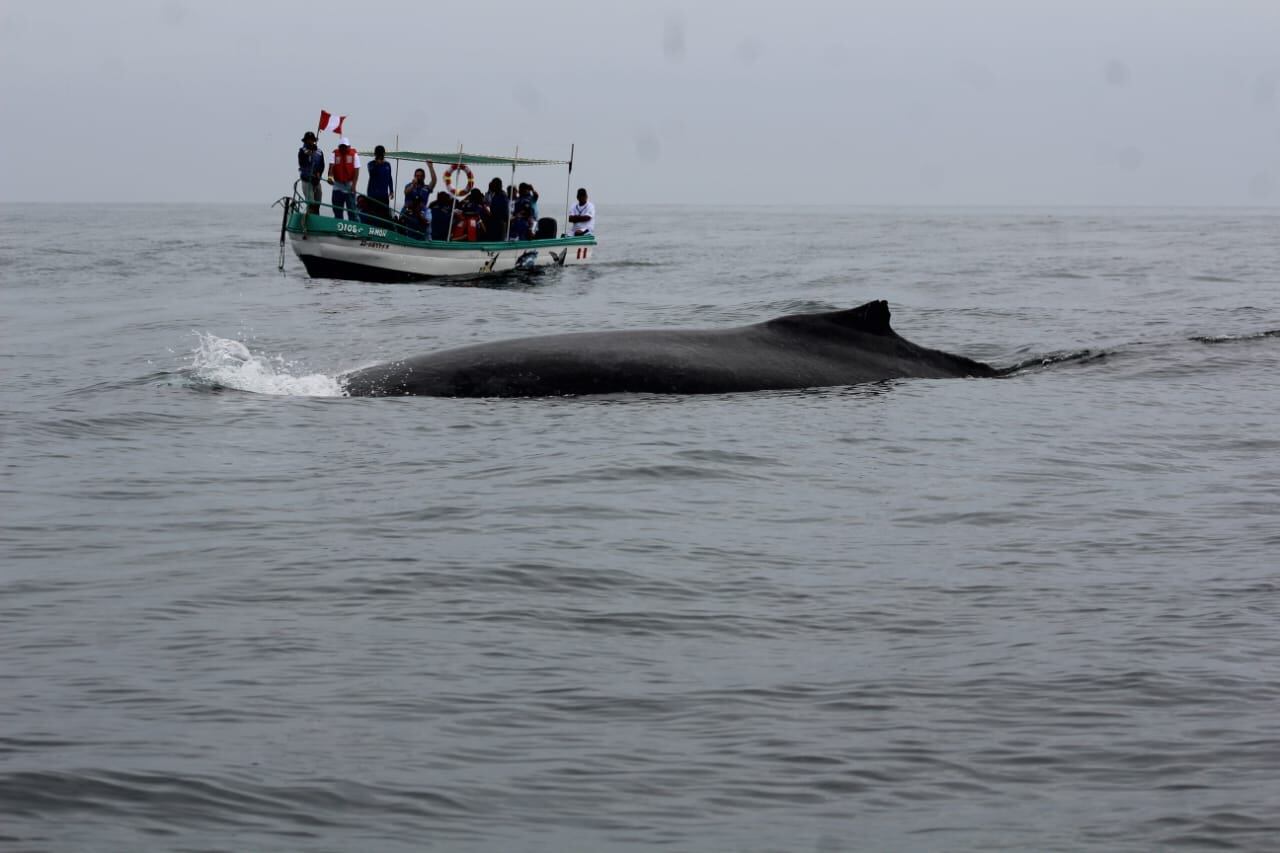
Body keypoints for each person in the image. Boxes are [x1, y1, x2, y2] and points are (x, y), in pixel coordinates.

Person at [327, 137, 360, 220]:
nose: (343, 148)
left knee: (352, 211)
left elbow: (356, 170)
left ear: (349, 146)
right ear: (339, 147)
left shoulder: (354, 155)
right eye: (342, 146)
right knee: (337, 210)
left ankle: (353, 228)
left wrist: (354, 186)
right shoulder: (334, 154)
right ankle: (338, 227)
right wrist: (330, 177)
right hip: (337, 185)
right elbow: (331, 167)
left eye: (345, 146)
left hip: (349, 186)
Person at [365, 145, 394, 225]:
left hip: (384, 195)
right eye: (378, 154)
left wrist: (391, 190)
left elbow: (389, 177)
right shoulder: (371, 164)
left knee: (384, 216)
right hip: (373, 195)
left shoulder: (387, 165)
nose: (381, 156)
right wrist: (377, 164)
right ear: (375, 154)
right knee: (372, 216)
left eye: (382, 154)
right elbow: (372, 173)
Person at [297, 131, 325, 214]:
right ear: (305, 141)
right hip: (307, 180)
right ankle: (308, 218)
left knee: (318, 202)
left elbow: (322, 165)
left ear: (314, 141)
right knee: (311, 203)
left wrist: (319, 173)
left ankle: (316, 219)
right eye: (308, 140)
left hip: (316, 181)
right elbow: (301, 163)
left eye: (311, 140)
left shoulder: (319, 152)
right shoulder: (302, 151)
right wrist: (308, 155)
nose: (310, 141)